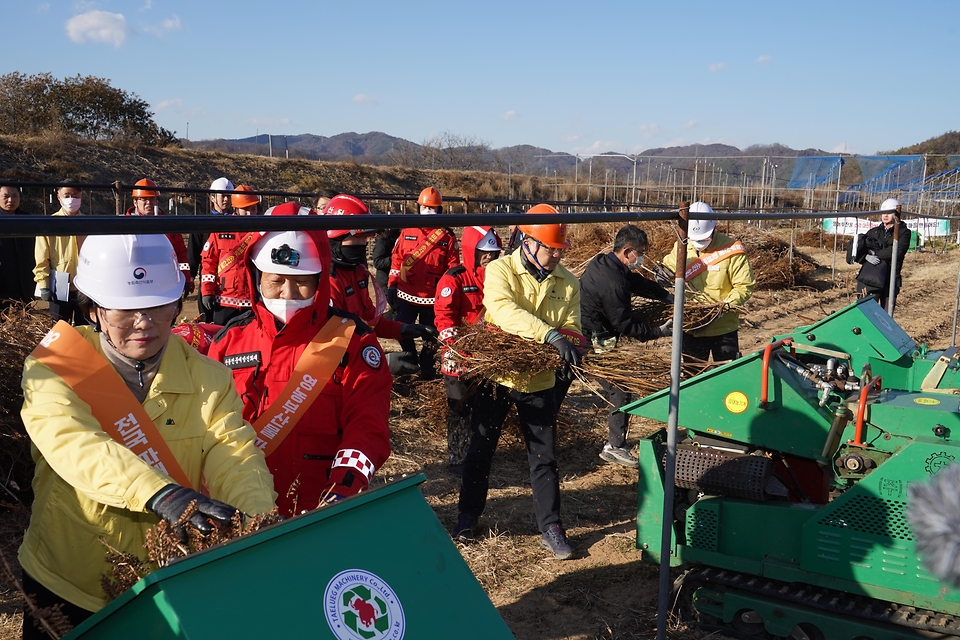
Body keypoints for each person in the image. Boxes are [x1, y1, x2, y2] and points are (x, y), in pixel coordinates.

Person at [18, 234, 276, 636]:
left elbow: (234, 451)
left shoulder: (208, 377)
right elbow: (71, 440)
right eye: (125, 309)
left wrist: (258, 523)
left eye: (157, 306)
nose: (144, 323)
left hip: (163, 581)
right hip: (68, 580)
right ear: (94, 310)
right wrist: (160, 492)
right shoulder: (54, 365)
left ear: (176, 304)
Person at [207, 202, 391, 516]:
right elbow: (207, 431)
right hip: (243, 511)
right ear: (256, 277)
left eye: (302, 281)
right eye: (275, 281)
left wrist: (343, 491)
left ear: (320, 280)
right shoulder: (229, 343)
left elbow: (367, 428)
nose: (288, 293)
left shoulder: (352, 341)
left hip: (321, 510)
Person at [454, 204, 582, 561]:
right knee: (481, 449)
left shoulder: (568, 282)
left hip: (539, 380)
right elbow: (504, 309)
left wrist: (571, 341)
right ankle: (467, 516)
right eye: (550, 248)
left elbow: (574, 325)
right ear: (527, 242)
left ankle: (551, 527)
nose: (557, 254)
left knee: (544, 456)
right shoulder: (499, 270)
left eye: (560, 249)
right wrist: (550, 335)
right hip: (496, 376)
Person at [580, 224, 673, 467]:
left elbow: (634, 282)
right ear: (627, 251)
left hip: (591, 332)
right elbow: (624, 324)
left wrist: (664, 295)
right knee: (620, 387)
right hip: (594, 341)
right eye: (640, 253)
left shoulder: (605, 263)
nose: (641, 258)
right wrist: (658, 332)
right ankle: (615, 446)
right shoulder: (613, 283)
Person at [321, 194, 435, 358]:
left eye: (365, 238)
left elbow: (370, 322)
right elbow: (333, 344)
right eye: (358, 237)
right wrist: (382, 362)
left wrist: (401, 329)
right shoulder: (326, 281)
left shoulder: (358, 274)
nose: (364, 244)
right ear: (335, 237)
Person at [434, 225, 502, 475]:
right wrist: (456, 343)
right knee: (459, 408)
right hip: (458, 357)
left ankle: (478, 452)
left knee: (485, 407)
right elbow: (444, 316)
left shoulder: (499, 278)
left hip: (487, 356)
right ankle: (457, 456)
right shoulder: (454, 278)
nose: (490, 258)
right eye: (485, 253)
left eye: (494, 254)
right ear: (472, 250)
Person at [662, 201, 755, 362]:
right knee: (692, 376)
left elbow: (744, 287)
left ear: (713, 228)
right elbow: (670, 264)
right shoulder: (684, 245)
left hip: (723, 328)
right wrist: (663, 272)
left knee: (726, 376)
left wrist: (719, 310)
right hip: (692, 327)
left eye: (704, 239)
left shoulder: (731, 249)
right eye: (695, 240)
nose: (700, 244)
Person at [387, 187, 460, 379]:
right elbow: (397, 260)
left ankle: (427, 368)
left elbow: (453, 270)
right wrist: (392, 285)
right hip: (405, 294)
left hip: (432, 299)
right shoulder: (407, 230)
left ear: (440, 210)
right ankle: (409, 359)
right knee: (401, 330)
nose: (428, 212)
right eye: (424, 208)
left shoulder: (447, 237)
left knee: (432, 337)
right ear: (418, 207)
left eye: (432, 208)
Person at [198, 185, 262, 326]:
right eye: (245, 210)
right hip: (225, 300)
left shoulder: (262, 233)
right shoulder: (221, 229)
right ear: (236, 209)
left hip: (255, 301)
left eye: (253, 209)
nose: (250, 214)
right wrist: (207, 291)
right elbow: (208, 262)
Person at [125, 179, 192, 291]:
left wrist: (186, 278)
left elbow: (180, 254)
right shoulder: (124, 226)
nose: (149, 203)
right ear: (135, 201)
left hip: (163, 282)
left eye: (152, 199)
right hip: (134, 283)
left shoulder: (168, 226)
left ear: (157, 201)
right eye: (144, 199)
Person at [33, 181, 84, 324]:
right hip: (60, 287)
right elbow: (42, 258)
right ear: (59, 197)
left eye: (75, 195)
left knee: (85, 327)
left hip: (85, 286)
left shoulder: (88, 222)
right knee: (61, 326)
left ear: (82, 197)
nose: (71, 199)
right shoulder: (49, 225)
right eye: (67, 195)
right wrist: (43, 285)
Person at [188, 177, 234, 321]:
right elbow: (193, 253)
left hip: (231, 282)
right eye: (223, 196)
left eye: (229, 196)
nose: (226, 199)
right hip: (208, 279)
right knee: (207, 320)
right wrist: (189, 277)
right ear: (213, 198)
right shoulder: (202, 223)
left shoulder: (238, 221)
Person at [856, 198, 911, 313]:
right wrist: (866, 256)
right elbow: (860, 248)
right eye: (883, 213)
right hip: (873, 279)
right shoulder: (874, 232)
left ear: (896, 214)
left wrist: (875, 254)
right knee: (867, 313)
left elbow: (898, 251)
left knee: (886, 315)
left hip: (890, 279)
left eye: (889, 213)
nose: (885, 215)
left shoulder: (904, 233)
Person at [0, 185, 37, 305]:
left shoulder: (27, 220)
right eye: (6, 196)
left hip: (24, 283)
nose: (10, 200)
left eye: (14, 196)